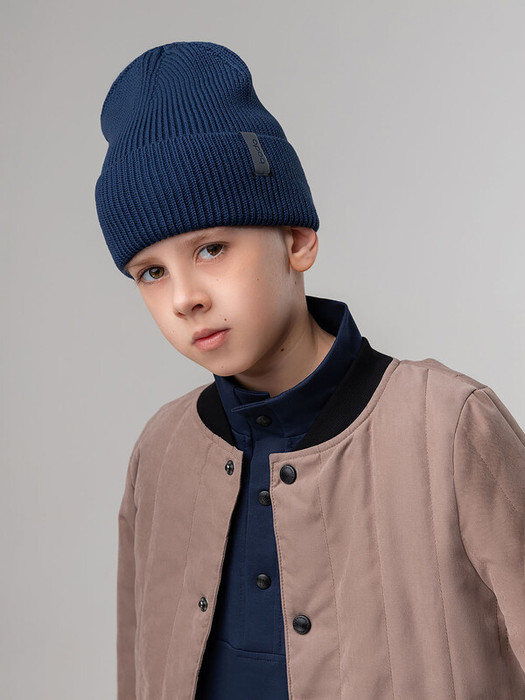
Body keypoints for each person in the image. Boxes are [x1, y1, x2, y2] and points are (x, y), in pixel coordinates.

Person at [95, 41, 525, 700]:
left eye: (211, 248)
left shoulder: (448, 425)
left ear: (296, 240)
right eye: (150, 272)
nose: (184, 298)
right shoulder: (162, 450)